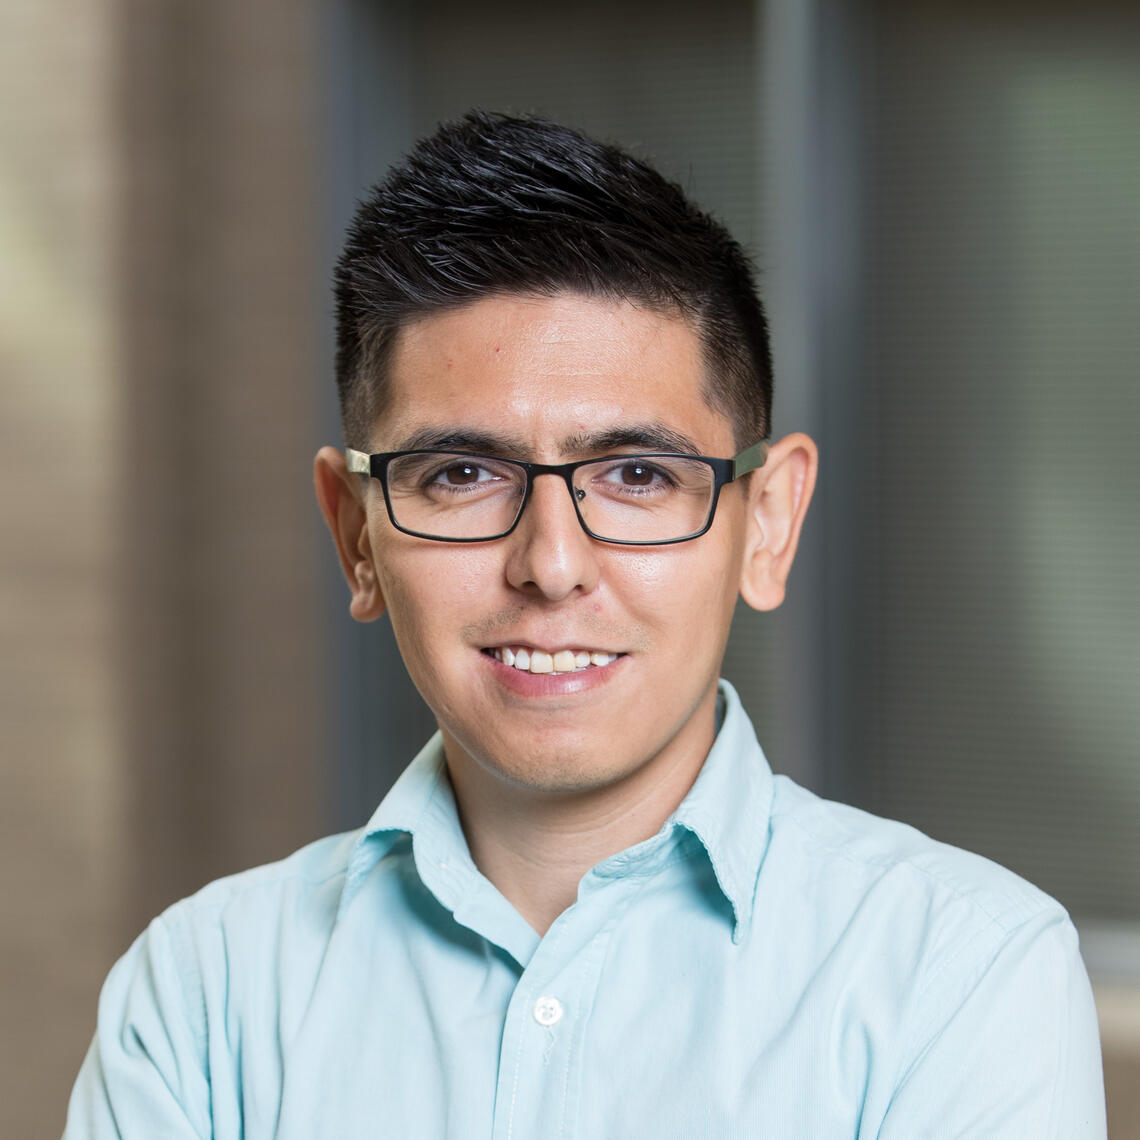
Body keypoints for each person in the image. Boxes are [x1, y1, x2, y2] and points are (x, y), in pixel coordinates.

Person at [64, 111, 1106, 1138]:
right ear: (356, 536)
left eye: (639, 475)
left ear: (769, 524)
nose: (552, 567)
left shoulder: (962, 974)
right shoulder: (202, 999)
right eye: (463, 475)